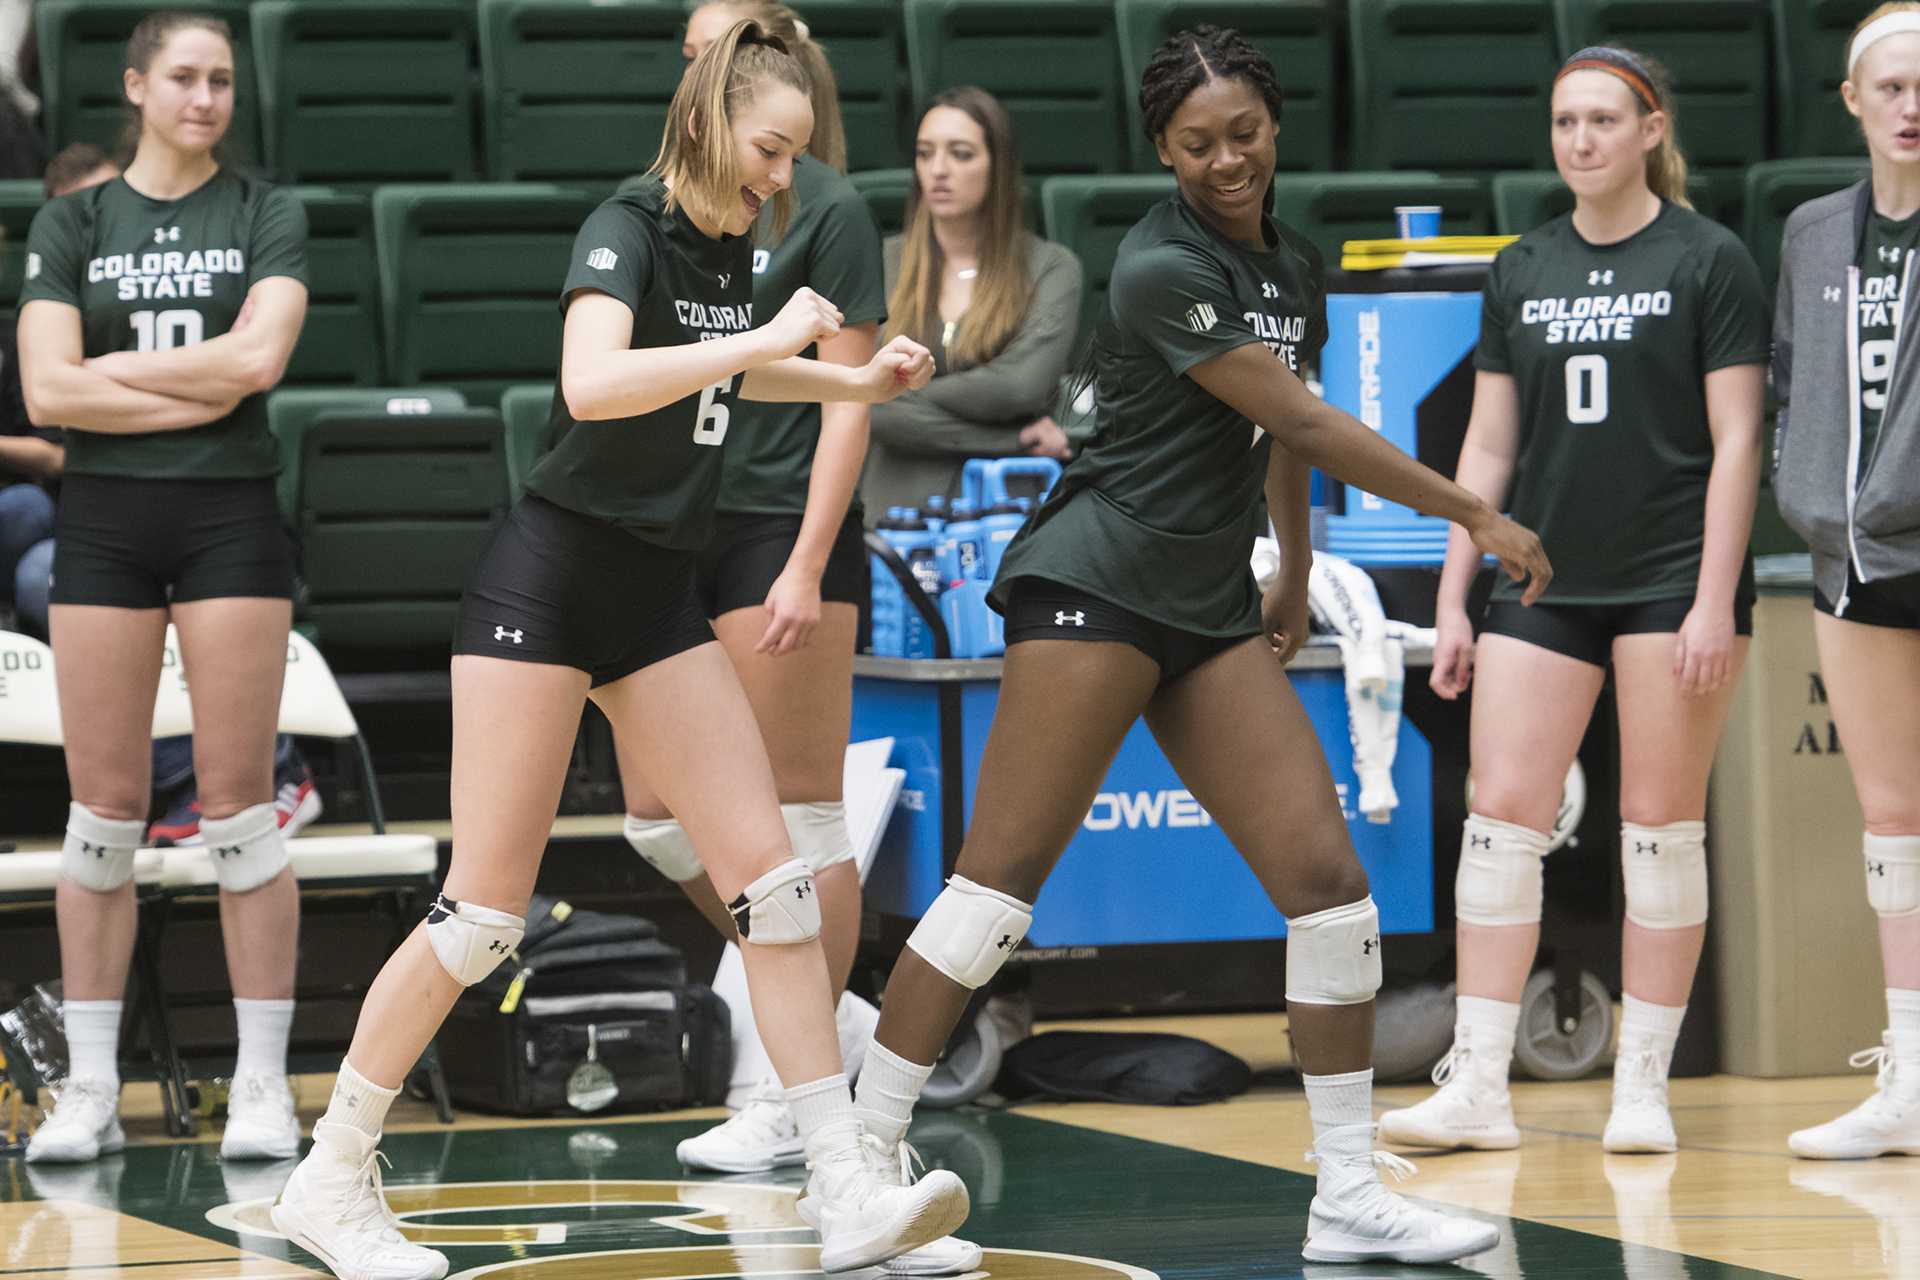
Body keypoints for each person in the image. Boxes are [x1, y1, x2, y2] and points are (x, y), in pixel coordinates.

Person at [268, 23, 966, 1280]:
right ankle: (329, 1176)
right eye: (770, 148)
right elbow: (594, 385)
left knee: (777, 881)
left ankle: (841, 1181)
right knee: (482, 914)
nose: (784, 179)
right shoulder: (626, 223)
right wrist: (767, 344)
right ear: (710, 119)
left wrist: (852, 388)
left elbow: (712, 386)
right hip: (545, 584)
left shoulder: (733, 243)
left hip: (651, 599)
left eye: (798, 156)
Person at [850, 25, 1550, 1265]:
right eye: (1197, 143)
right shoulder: (1156, 264)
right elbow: (1303, 414)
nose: (1228, 159)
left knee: (1331, 888)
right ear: (1161, 149)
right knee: (996, 886)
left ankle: (1346, 1192)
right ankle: (861, 1171)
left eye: (1245, 133)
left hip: (1211, 601)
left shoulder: (1292, 264)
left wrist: (1283, 577)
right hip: (1096, 583)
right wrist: (1473, 511)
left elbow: (1281, 448)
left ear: (1273, 125)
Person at [1378, 46, 1768, 1157]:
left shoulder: (1710, 257)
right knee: (1500, 816)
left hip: (1668, 580)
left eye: (1604, 119)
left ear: (1650, 130)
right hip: (1544, 579)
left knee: (1660, 828)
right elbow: (1488, 443)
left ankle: (1641, 1084)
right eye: (1565, 122)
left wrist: (1710, 598)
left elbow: (1739, 438)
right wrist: (1455, 595)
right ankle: (1480, 1085)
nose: (1582, 139)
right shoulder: (1523, 264)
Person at [623, 0, 917, 1211]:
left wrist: (805, 560)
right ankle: (832, 1013)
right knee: (654, 812)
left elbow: (847, 391)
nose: (701, 66)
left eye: (721, 47)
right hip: (678, 524)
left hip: (780, 527)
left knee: (799, 824)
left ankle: (785, 1098)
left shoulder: (828, 203)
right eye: (690, 52)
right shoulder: (661, 206)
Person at [15, 11, 311, 1164]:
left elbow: (259, 363)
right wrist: (189, 386)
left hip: (231, 512)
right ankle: (88, 1088)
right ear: (137, 87)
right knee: (102, 820)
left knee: (241, 813)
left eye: (222, 80)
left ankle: (259, 1085)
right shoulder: (73, 216)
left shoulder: (264, 209)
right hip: (106, 523)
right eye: (183, 77)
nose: (205, 97)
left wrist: (110, 375)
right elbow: (45, 392)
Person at [1774, 2, 1920, 1160]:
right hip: (1855, 557)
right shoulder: (1816, 231)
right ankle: (1911, 1077)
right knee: (1893, 821)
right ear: (1854, 102)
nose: (1913, 107)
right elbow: (1793, 379)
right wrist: (1813, 493)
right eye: (1893, 88)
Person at [859, 87, 1082, 514]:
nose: (938, 170)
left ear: (998, 166)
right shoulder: (881, 261)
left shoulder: (1051, 267)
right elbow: (872, 409)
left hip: (1008, 513)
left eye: (960, 154)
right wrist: (1010, 440)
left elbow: (1020, 386)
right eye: (925, 154)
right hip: (896, 513)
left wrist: (901, 392)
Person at [1, 143, 118, 637]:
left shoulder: (179, 301)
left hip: (171, 507)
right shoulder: (38, 324)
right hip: (77, 522)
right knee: (37, 565)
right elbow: (55, 455)